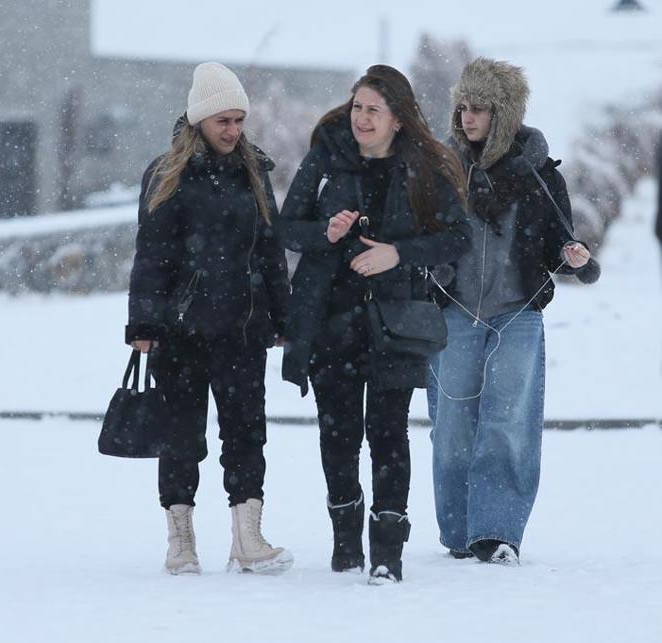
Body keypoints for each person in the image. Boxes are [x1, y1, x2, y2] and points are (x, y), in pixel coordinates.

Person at [276, 65, 471, 583]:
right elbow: (286, 228)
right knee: (337, 436)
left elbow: (457, 237)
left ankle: (387, 552)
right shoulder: (325, 159)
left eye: (374, 110)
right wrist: (326, 231)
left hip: (395, 322)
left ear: (398, 119)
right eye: (358, 107)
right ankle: (345, 546)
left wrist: (397, 254)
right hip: (330, 320)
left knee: (388, 435)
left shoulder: (423, 169)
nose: (362, 118)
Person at [125, 62, 293, 575]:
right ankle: (181, 540)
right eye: (223, 120)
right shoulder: (167, 174)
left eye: (239, 120)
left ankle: (248, 537)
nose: (233, 130)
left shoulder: (254, 174)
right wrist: (144, 327)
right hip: (181, 333)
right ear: (199, 119)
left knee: (247, 433)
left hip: (242, 331)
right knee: (181, 436)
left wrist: (282, 319)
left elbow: (270, 253)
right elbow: (151, 255)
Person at [428, 58, 593, 565]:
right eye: (462, 107)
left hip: (518, 312)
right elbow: (418, 235)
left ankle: (496, 532)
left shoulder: (540, 174)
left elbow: (562, 242)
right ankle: (459, 531)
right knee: (452, 423)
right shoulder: (442, 169)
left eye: (479, 108)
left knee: (508, 422)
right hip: (453, 310)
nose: (467, 117)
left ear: (503, 114)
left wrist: (575, 257)